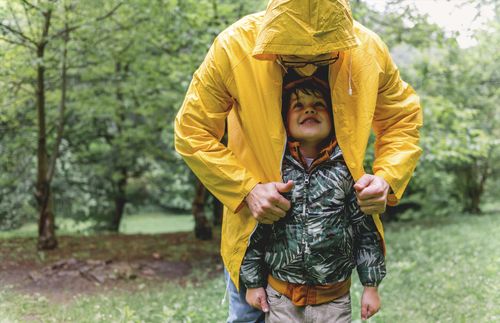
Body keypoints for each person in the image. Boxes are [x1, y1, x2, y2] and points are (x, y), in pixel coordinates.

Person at [174, 0, 422, 321]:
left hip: (328, 268)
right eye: (292, 56)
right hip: (252, 231)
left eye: (321, 56)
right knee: (248, 317)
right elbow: (192, 131)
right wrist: (247, 190)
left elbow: (401, 119)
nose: (307, 63)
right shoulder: (233, 46)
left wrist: (387, 177)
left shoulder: (368, 50)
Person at [240, 76, 385, 322]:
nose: (309, 108)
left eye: (319, 105)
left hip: (334, 300)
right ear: (284, 120)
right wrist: (253, 283)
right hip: (281, 297)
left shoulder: (347, 171)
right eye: (298, 105)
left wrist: (371, 286)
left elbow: (365, 231)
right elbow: (254, 231)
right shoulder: (273, 170)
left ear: (334, 118)